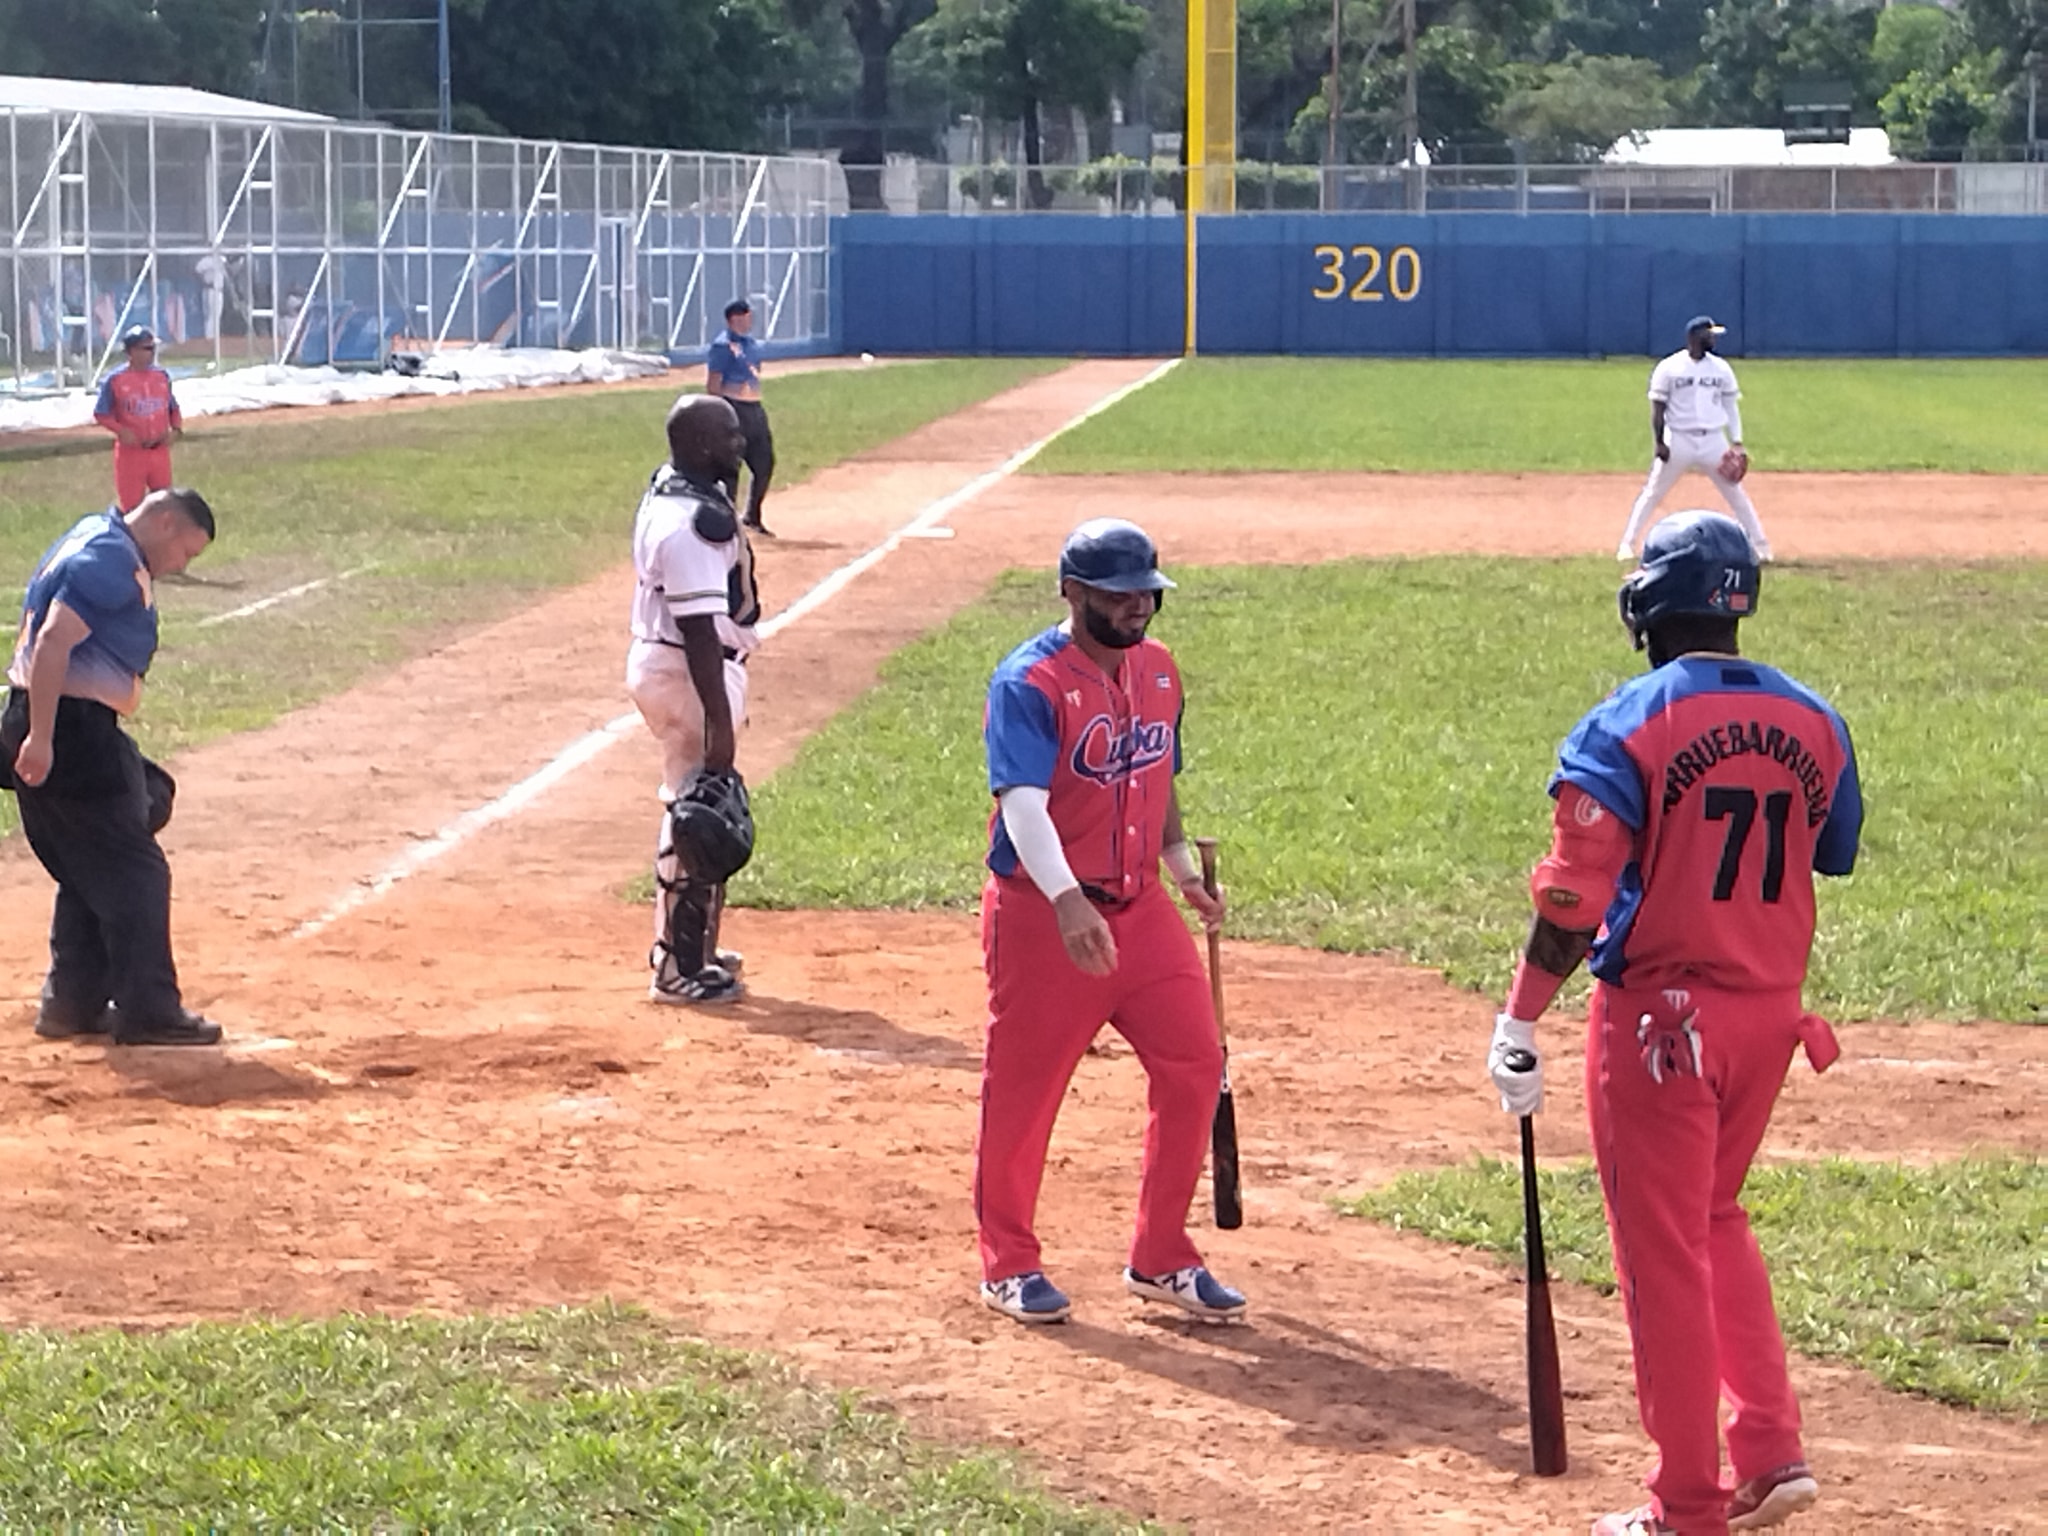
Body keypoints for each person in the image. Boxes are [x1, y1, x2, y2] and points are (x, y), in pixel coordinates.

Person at [1485, 510, 1863, 1536]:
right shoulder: (1815, 719)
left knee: (1661, 1259)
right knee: (1713, 1219)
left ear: (1648, 605)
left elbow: (1572, 900)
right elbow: (1831, 850)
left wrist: (1519, 1018)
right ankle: (1768, 1451)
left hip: (1660, 1027)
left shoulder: (1626, 723)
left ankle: (1685, 1505)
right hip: (1768, 1019)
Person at [974, 517, 1244, 1327]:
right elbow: (1022, 805)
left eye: (1146, 595)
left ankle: (1161, 1254)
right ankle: (1009, 1264)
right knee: (1026, 1092)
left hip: (1142, 910)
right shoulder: (1028, 682)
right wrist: (1065, 900)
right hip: (1043, 915)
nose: (1137, 608)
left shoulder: (1159, 670)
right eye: (1119, 595)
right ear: (1073, 592)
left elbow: (1157, 778)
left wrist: (1183, 872)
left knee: (1195, 1062)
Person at [1, 489, 224, 1048]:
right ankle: (149, 1011)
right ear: (165, 522)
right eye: (186, 551)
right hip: (68, 729)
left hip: (70, 725)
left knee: (146, 800)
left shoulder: (97, 537)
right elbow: (53, 641)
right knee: (135, 873)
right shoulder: (110, 559)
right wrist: (42, 738)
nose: (180, 565)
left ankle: (73, 1001)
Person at [627, 393, 762, 1006]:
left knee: (703, 804)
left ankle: (697, 947)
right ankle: (678, 969)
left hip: (673, 663)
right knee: (699, 813)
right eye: (730, 436)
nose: (740, 444)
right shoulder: (692, 526)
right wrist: (718, 725)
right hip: (688, 672)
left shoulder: (671, 487)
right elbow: (700, 630)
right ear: (703, 445)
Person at [1616, 317, 1771, 564]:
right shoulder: (1669, 367)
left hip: (1713, 440)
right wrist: (1659, 442)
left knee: (1736, 494)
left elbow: (1730, 406)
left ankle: (1761, 546)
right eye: (1709, 334)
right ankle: (1627, 544)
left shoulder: (1721, 368)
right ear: (1694, 337)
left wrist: (1737, 442)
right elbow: (1658, 407)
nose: (1713, 339)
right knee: (1653, 492)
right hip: (1678, 439)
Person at [704, 298, 776, 538]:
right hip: (733, 408)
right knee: (730, 469)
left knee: (764, 463)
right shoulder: (722, 346)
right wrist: (718, 413)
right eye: (746, 316)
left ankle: (752, 516)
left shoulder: (751, 344)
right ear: (734, 318)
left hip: (754, 408)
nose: (750, 320)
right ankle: (726, 523)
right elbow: (713, 382)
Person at [93, 325, 183, 513]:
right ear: (132, 351)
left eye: (153, 348)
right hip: (131, 453)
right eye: (147, 348)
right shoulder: (115, 380)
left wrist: (176, 430)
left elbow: (173, 408)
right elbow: (101, 413)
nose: (152, 353)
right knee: (132, 510)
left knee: (164, 506)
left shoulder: (161, 376)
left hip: (159, 451)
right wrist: (121, 431)